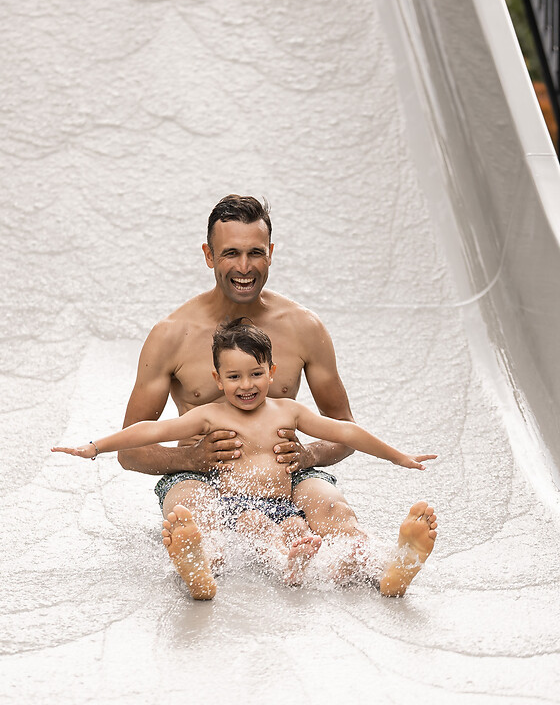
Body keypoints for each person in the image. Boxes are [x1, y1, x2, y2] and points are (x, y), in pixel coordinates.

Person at [111, 194, 436, 592]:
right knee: (194, 514)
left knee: (333, 510)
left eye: (255, 253)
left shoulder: (303, 327)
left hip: (285, 472)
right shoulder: (171, 335)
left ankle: (391, 568)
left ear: (271, 254)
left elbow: (343, 428)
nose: (244, 267)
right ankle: (198, 564)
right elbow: (128, 452)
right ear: (209, 256)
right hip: (200, 476)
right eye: (230, 253)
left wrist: (310, 454)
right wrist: (191, 457)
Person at [53, 319, 438, 600]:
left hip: (284, 503)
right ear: (218, 380)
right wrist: (95, 446)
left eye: (256, 373)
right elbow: (148, 432)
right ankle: (209, 572)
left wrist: (396, 456)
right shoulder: (210, 416)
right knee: (260, 528)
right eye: (234, 377)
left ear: (271, 372)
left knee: (301, 533)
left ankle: (387, 570)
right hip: (238, 506)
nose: (247, 385)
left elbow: (346, 431)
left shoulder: (289, 411)